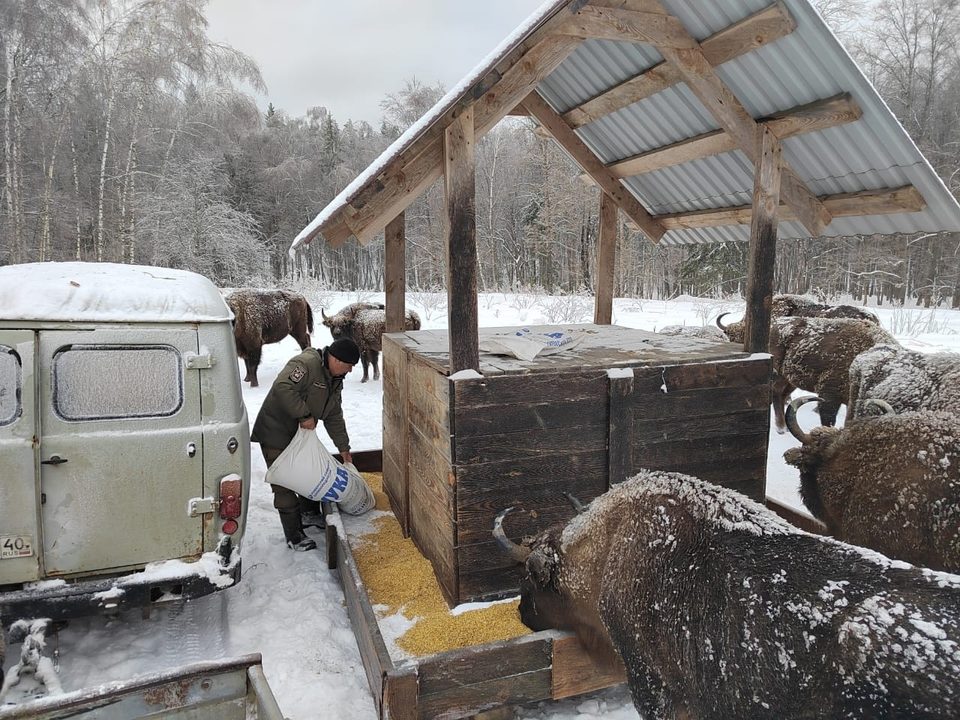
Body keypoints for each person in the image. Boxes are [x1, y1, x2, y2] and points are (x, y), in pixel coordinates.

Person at [251, 337, 360, 550]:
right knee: (284, 484)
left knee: (309, 473)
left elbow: (334, 414)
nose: (350, 371)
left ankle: (308, 513)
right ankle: (294, 536)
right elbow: (283, 387)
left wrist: (344, 449)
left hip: (300, 438)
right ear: (336, 360)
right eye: (348, 366)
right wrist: (304, 415)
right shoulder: (305, 364)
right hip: (277, 433)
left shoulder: (335, 379)